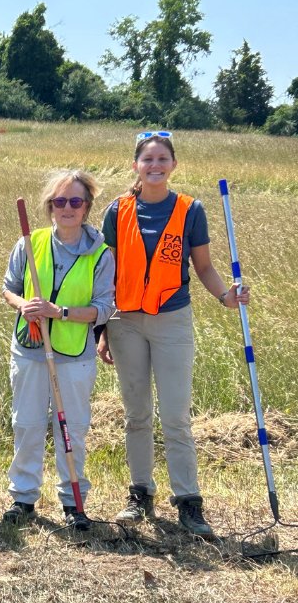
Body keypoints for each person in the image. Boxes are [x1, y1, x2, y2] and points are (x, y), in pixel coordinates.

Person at [98, 131, 250, 539]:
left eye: (162, 159)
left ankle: (189, 501)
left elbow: (203, 267)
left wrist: (226, 296)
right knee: (136, 415)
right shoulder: (116, 210)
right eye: (147, 159)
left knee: (177, 417)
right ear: (136, 166)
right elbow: (105, 273)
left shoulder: (191, 210)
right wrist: (102, 330)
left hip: (173, 321)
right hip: (124, 322)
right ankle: (139, 493)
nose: (155, 166)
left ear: (173, 165)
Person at [0, 169, 115, 528]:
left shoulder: (101, 254)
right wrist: (23, 305)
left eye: (75, 201)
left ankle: (73, 502)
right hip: (30, 349)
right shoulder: (29, 243)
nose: (67, 208)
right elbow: (8, 288)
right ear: (50, 206)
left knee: (72, 428)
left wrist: (59, 313)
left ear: (86, 207)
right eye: (60, 201)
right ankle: (23, 498)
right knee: (28, 425)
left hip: (74, 354)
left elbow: (105, 308)